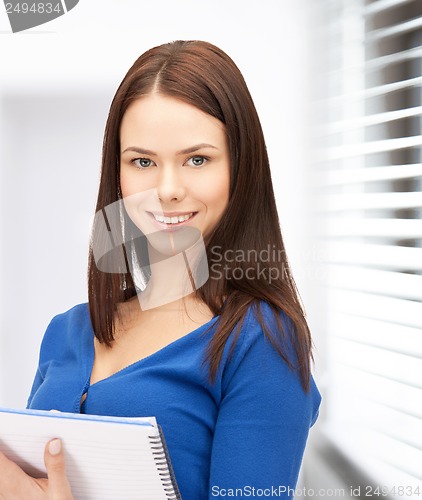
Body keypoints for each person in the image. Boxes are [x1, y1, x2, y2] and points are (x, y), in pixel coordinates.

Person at [0, 40, 322, 499]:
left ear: (241, 168)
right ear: (118, 172)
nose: (167, 189)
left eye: (197, 159)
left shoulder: (261, 341)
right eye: (143, 161)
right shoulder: (66, 332)